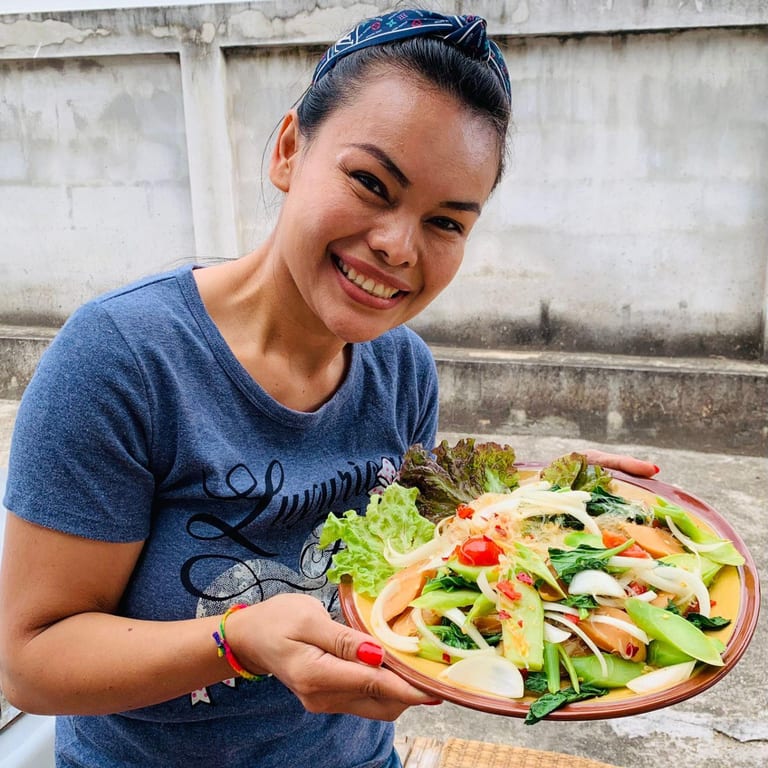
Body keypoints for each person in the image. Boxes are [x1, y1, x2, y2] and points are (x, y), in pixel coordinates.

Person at [0, 10, 657, 768]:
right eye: (371, 182)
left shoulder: (402, 369)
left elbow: (422, 564)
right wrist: (236, 640)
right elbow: (32, 660)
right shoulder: (125, 360)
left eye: (446, 222)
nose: (397, 246)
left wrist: (556, 511)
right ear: (288, 151)